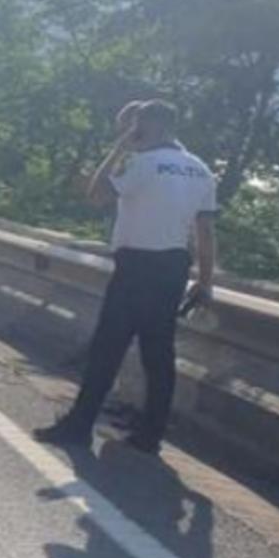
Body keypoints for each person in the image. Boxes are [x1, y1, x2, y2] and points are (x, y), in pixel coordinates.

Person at [34, 100, 218, 455]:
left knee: (108, 347)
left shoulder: (143, 162)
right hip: (175, 268)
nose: (128, 134)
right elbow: (206, 231)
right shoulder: (200, 168)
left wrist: (118, 148)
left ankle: (79, 426)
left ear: (144, 125)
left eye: (130, 127)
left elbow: (96, 194)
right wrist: (206, 282)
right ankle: (151, 435)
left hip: (137, 267)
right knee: (158, 353)